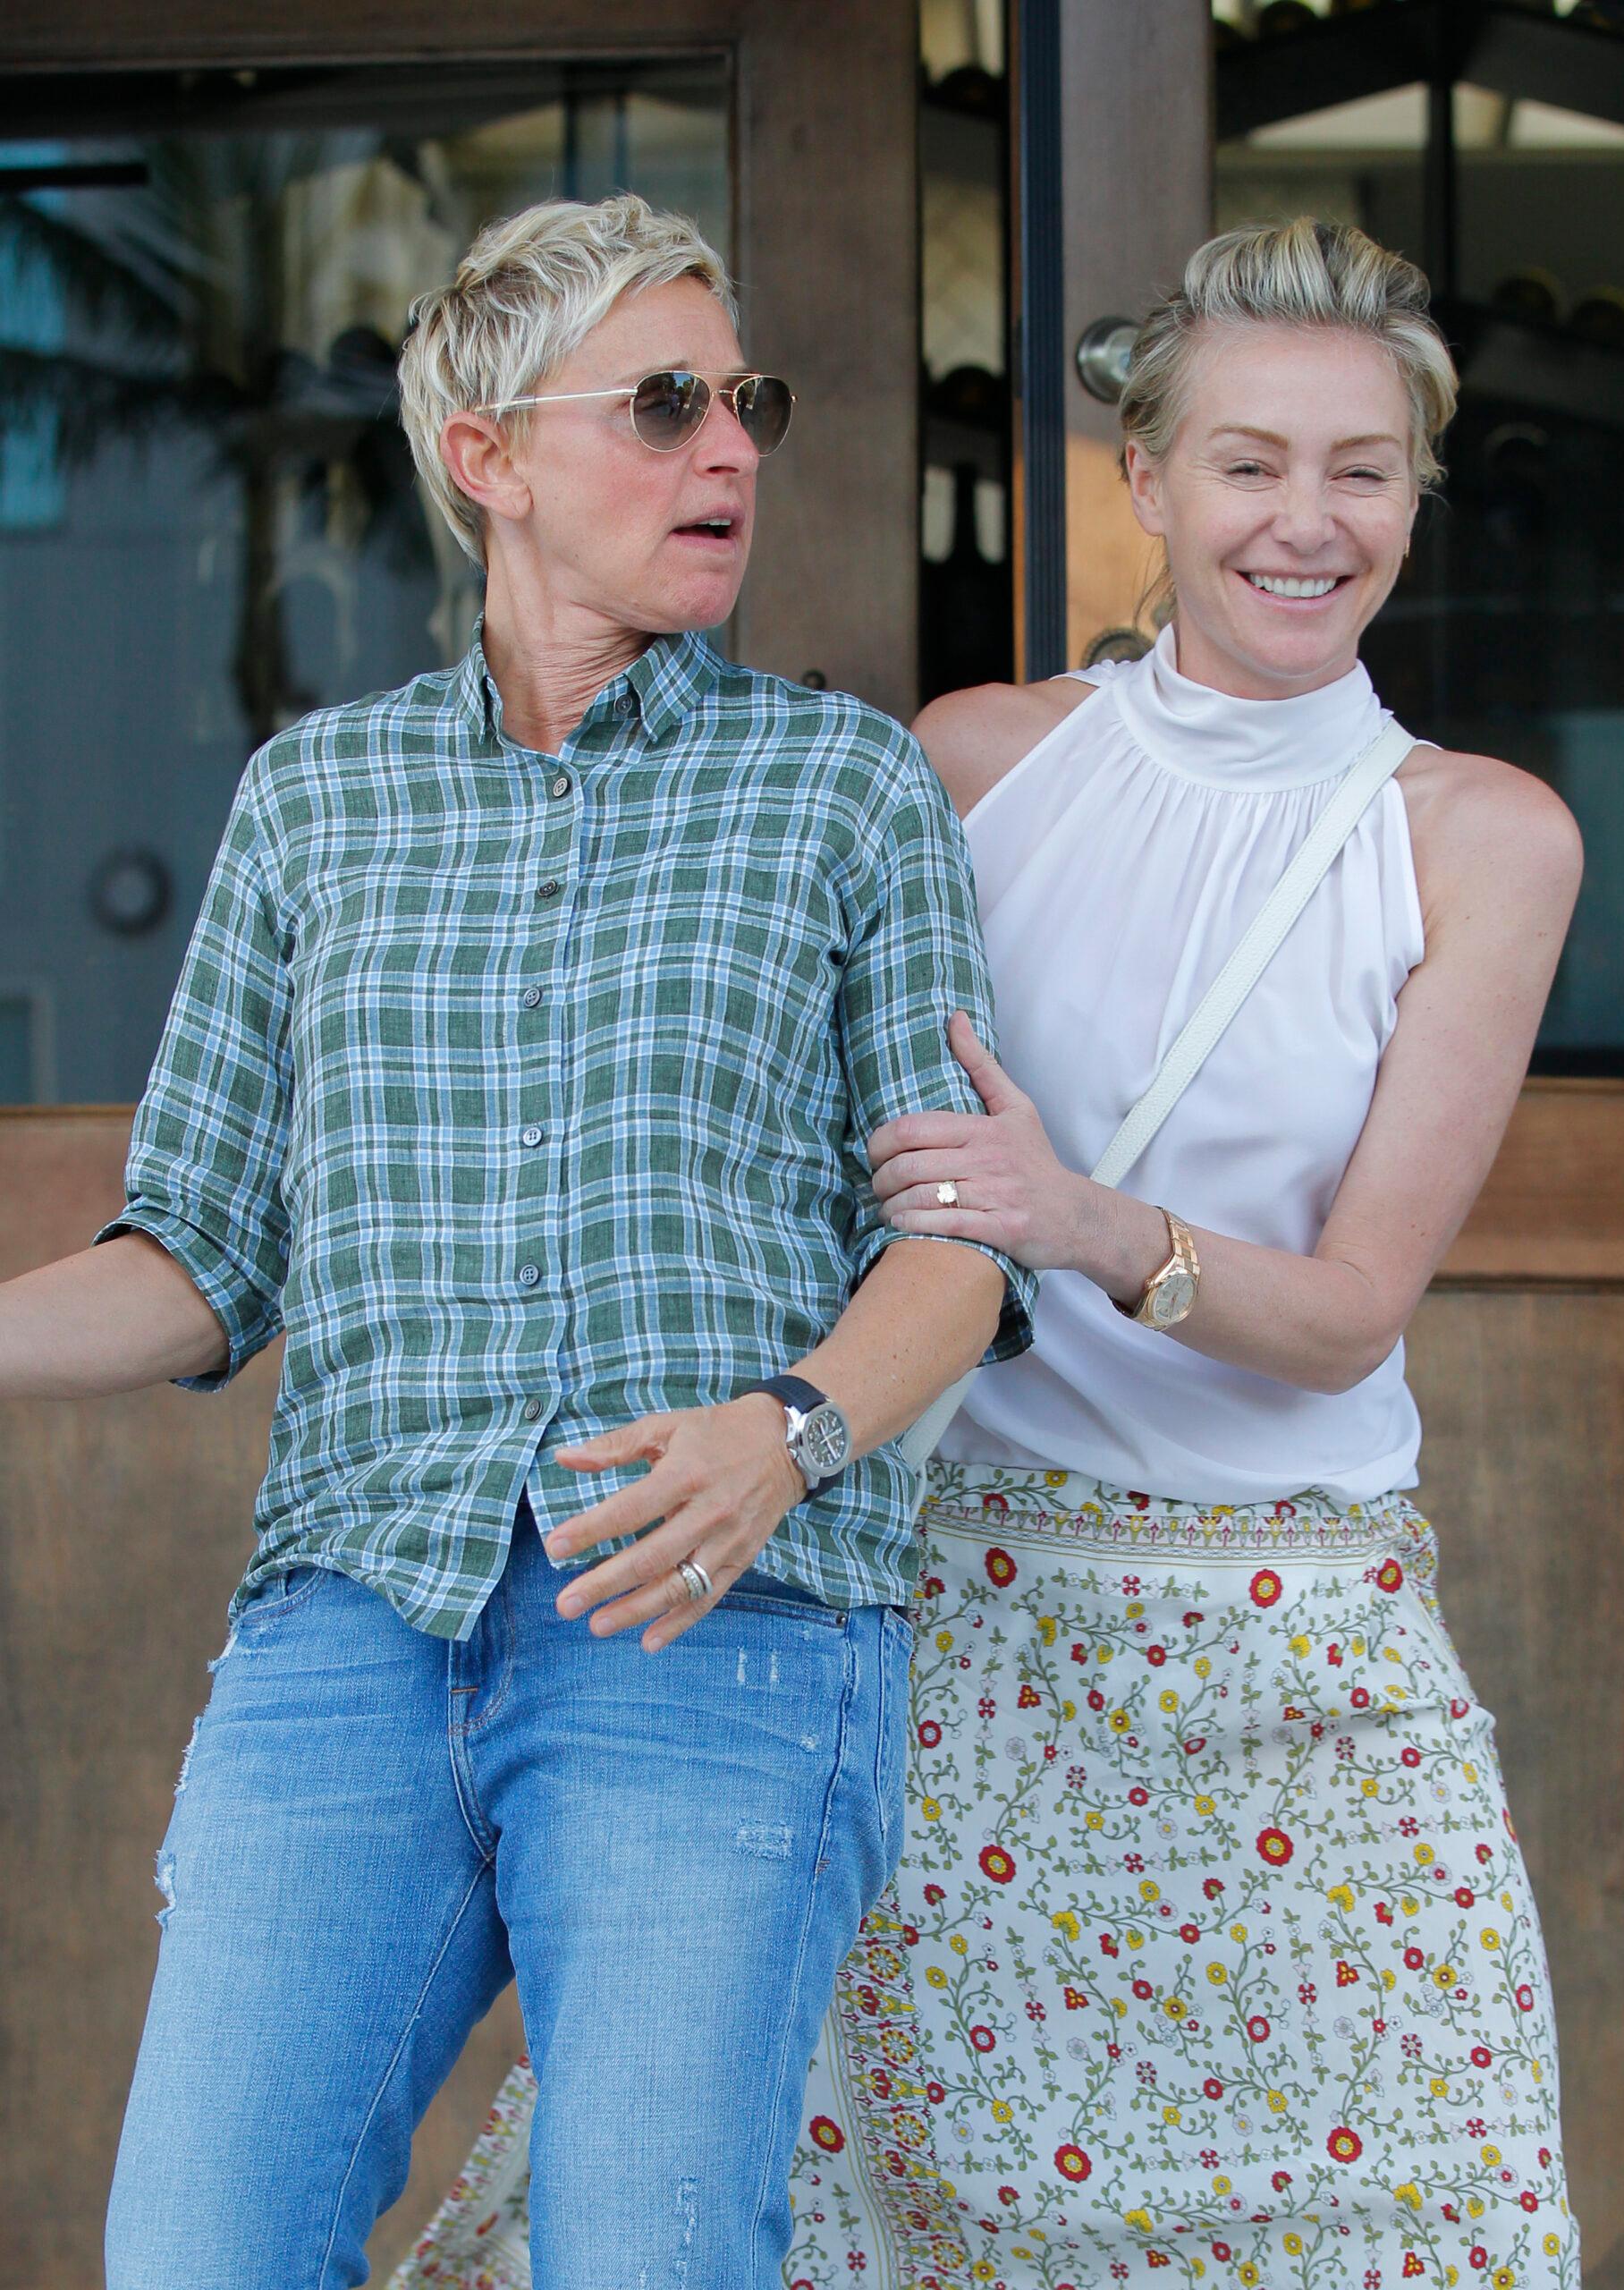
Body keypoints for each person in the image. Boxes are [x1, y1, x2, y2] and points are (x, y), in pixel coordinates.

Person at [405, 219, 1582, 2290]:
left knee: (1426, 2226)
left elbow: (1346, 1316)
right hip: (958, 1635)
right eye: (1247, 463)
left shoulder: (1479, 834)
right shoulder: (968, 764)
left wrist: (1078, 1222)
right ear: (1145, 479)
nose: (1305, 521)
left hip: (1299, 1654)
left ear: (1414, 491)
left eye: (1361, 469)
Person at [0, 195, 1036, 2290]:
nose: (728, 450)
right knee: (200, 2249)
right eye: (660, 406)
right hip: (351, 1630)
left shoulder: (843, 789)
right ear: (485, 453)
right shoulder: (316, 804)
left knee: (643, 2259)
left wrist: (791, 1431)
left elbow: (962, 1250)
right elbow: (199, 1249)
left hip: (712, 1621)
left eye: (743, 402)